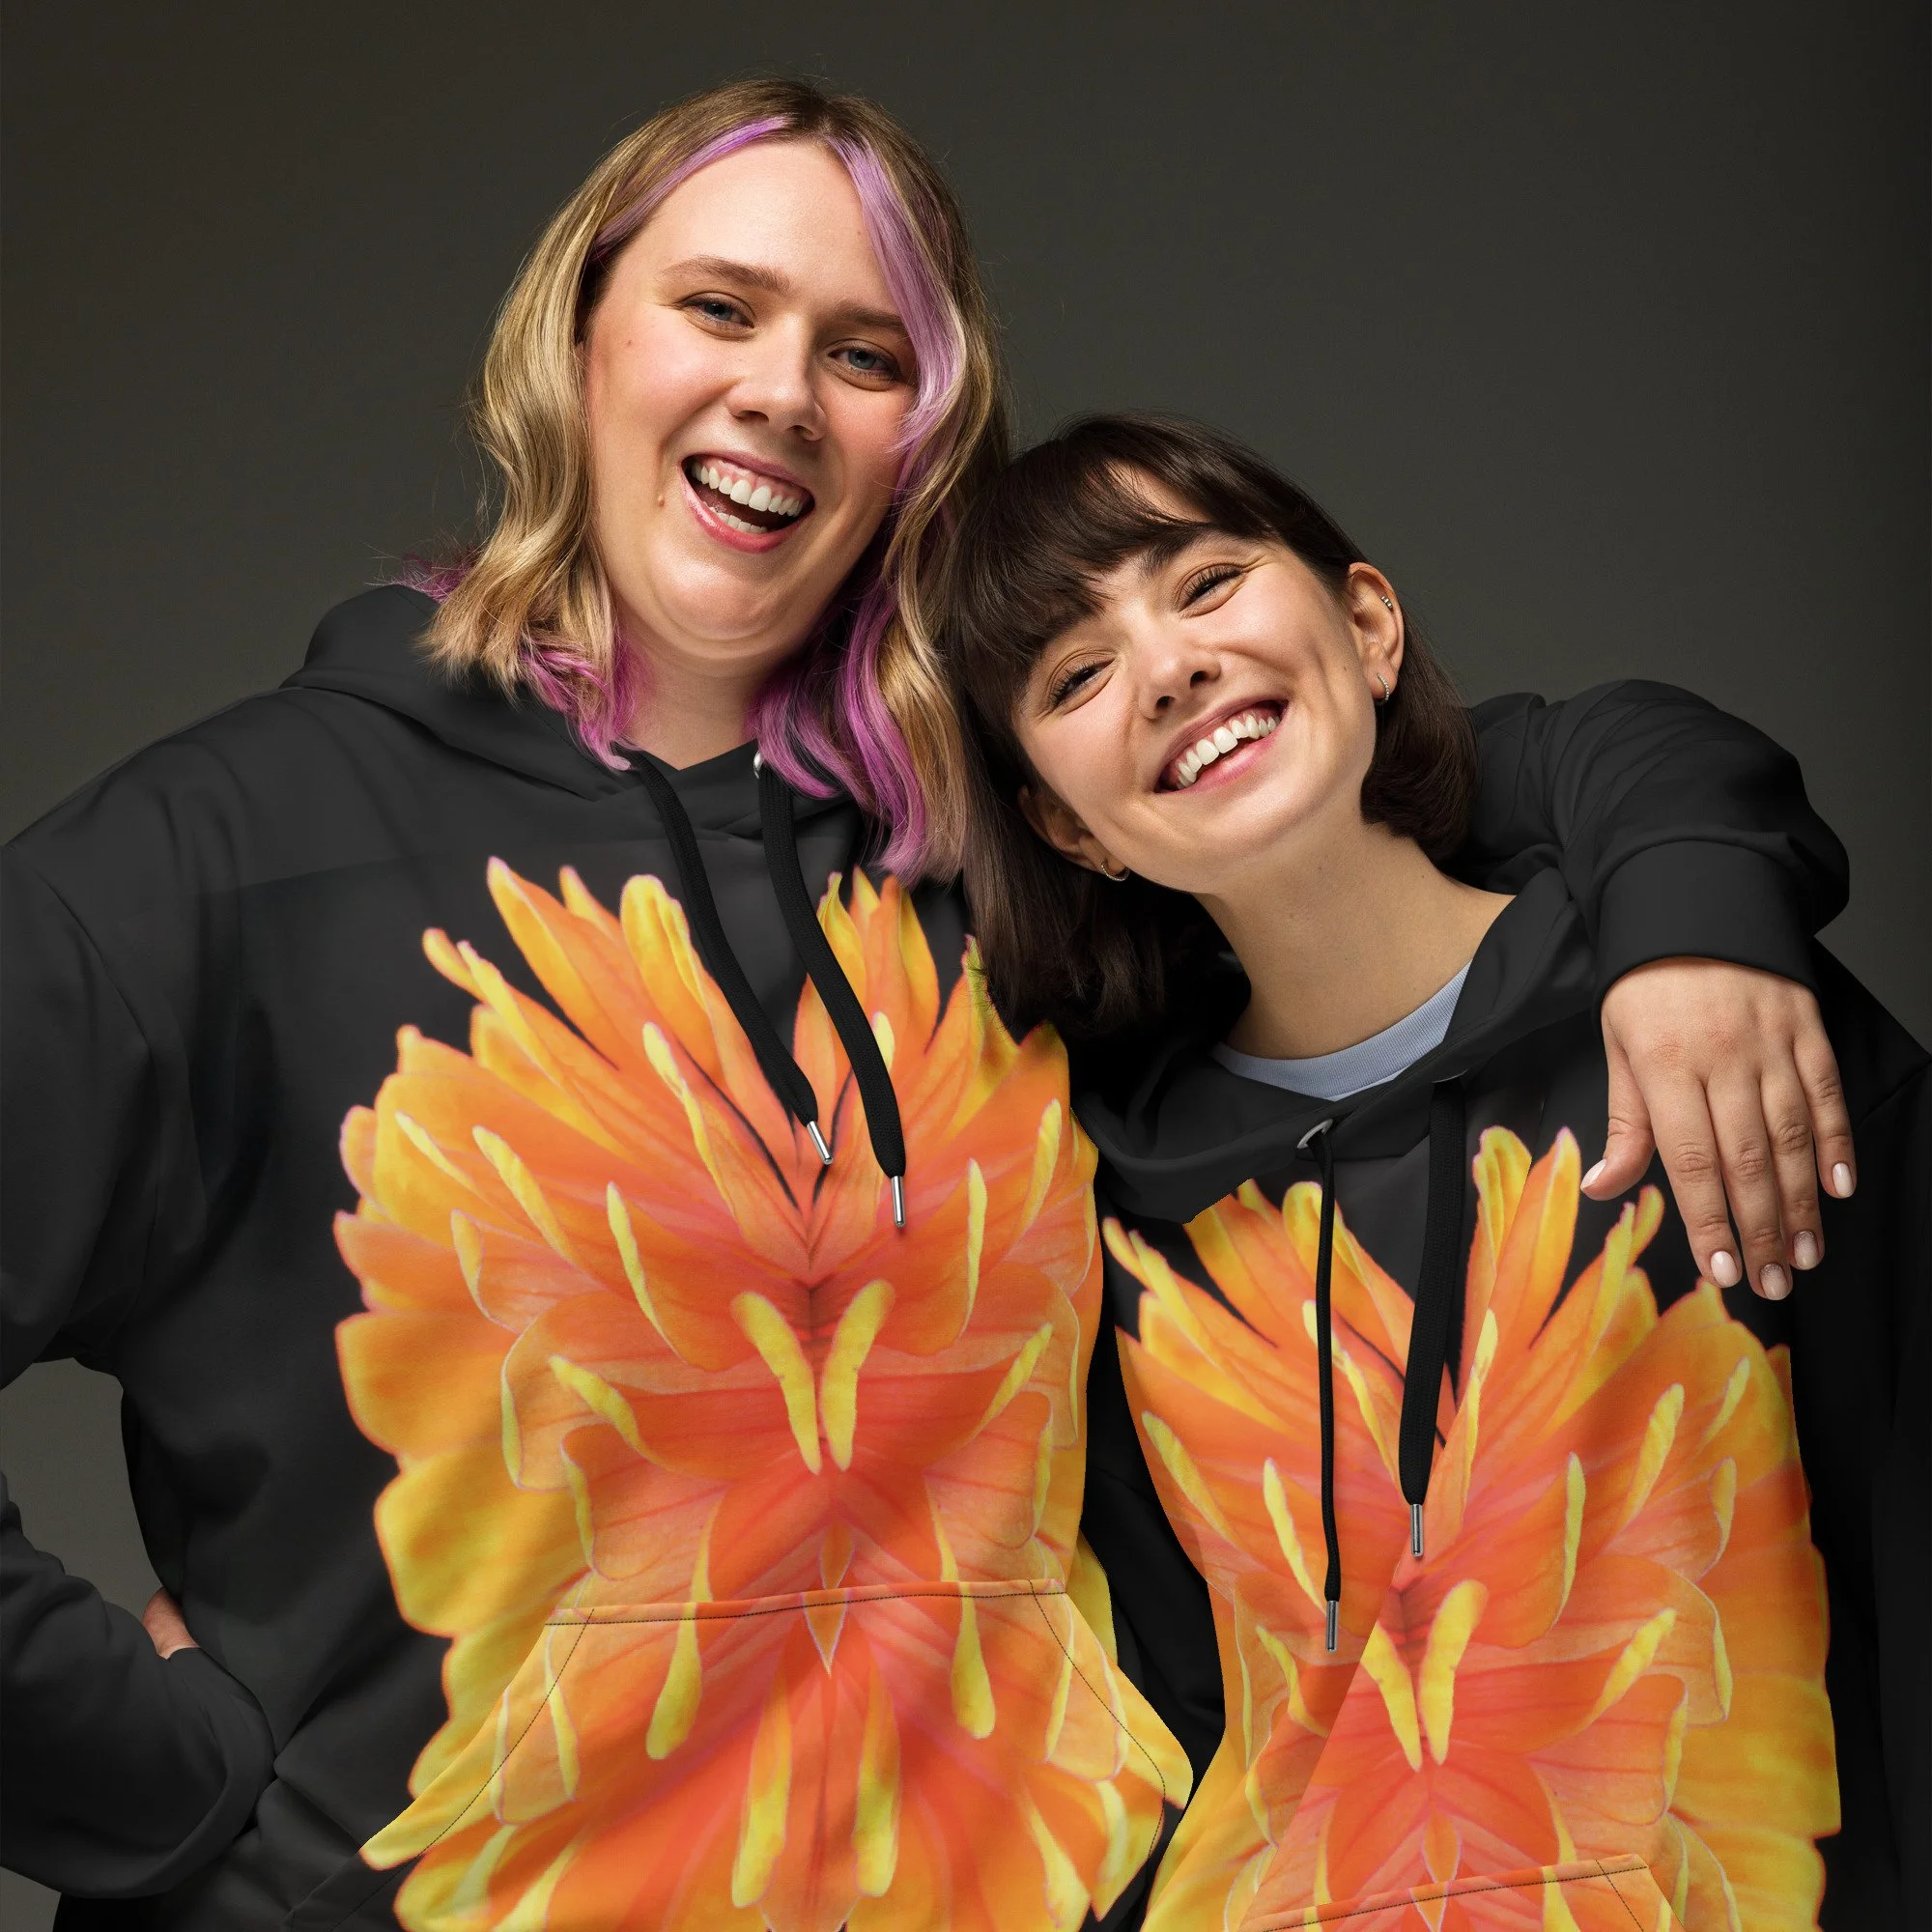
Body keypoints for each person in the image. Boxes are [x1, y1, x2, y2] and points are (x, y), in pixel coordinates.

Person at [0, 81, 1864, 1932]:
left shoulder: (992, 849)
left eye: (865, 353)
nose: (781, 394)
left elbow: (1395, 774)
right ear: (577, 341)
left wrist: (1696, 895)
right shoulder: (225, 855)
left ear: (924, 441)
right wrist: (156, 1784)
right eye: (719, 308)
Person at [943, 413, 1925, 1929]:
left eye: (1205, 585)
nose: (1168, 668)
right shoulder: (1116, 1226)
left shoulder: (1697, 1017)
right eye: (1076, 677)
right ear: (1072, 829)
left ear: (1367, 624)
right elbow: (1165, 1726)